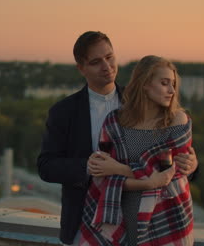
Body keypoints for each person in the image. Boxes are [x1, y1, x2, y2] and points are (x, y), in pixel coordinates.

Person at [37, 32, 198, 245]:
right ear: (81, 68)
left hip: (145, 219)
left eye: (109, 57)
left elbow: (168, 155)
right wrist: (90, 166)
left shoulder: (142, 100)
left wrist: (193, 165)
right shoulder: (63, 112)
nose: (107, 66)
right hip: (86, 222)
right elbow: (46, 166)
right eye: (96, 62)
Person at [80, 55, 194, 245]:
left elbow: (168, 175)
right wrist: (146, 181)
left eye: (173, 84)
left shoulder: (177, 120)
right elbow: (104, 176)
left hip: (167, 218)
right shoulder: (116, 121)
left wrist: (119, 169)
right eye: (164, 83)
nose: (172, 91)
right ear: (145, 84)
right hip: (122, 214)